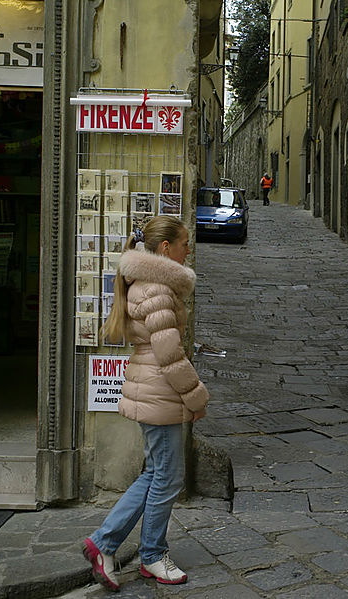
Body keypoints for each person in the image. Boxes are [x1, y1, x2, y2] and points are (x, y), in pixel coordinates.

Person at [82, 215, 209, 590]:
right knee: (167, 478)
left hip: (153, 388)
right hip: (161, 391)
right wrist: (196, 396)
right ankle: (150, 554)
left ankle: (105, 543)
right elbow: (169, 354)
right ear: (166, 248)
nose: (189, 250)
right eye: (185, 243)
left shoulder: (150, 283)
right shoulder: (157, 288)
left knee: (155, 473)